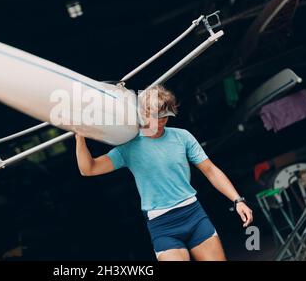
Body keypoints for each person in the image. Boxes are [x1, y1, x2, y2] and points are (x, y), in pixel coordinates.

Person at [75, 85, 253, 261]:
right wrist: (80, 137)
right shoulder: (129, 147)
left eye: (165, 117)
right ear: (143, 114)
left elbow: (210, 170)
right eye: (156, 117)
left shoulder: (182, 137)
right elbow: (88, 169)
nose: (160, 122)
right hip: (162, 226)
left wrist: (237, 200)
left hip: (194, 215)